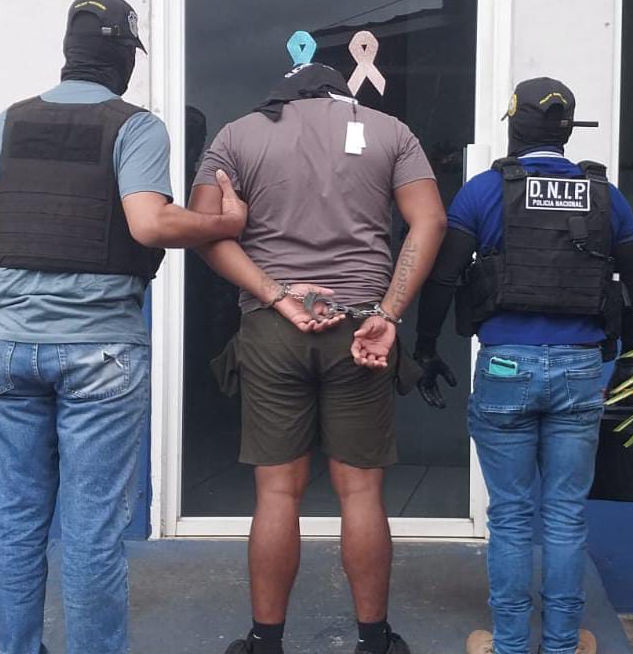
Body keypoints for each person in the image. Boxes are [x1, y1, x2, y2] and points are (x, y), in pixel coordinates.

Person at [0, 0, 246, 654]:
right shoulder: (136, 127)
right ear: (123, 58)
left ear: (69, 53)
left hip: (9, 346)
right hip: (99, 354)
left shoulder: (4, 125)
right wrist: (224, 223)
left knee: (17, 521)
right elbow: (150, 223)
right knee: (91, 529)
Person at [188, 63, 447, 654]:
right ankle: (375, 642)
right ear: (339, 92)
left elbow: (204, 231)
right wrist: (389, 311)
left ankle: (265, 641)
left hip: (272, 327)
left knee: (277, 492)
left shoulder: (237, 135)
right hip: (361, 327)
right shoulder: (391, 131)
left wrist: (276, 294)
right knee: (361, 492)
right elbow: (429, 220)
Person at [412, 78, 633, 654]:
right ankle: (563, 643)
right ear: (567, 130)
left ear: (515, 126)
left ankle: (512, 644)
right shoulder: (606, 196)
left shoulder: (483, 191)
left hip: (505, 370)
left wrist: (425, 348)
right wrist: (631, 368)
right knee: (565, 515)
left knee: (512, 515)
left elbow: (443, 278)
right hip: (580, 370)